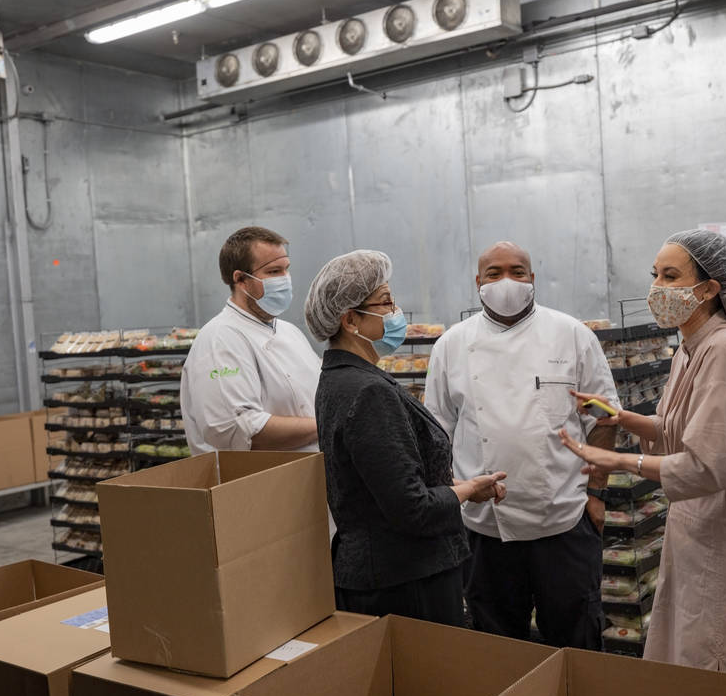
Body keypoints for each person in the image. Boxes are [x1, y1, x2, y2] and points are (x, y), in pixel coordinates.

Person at [561, 230, 726, 683]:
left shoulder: (724, 349)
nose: (657, 288)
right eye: (655, 275)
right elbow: (675, 430)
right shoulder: (688, 350)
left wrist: (619, 462)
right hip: (698, 530)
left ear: (711, 288)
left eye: (671, 276)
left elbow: (710, 463)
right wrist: (618, 417)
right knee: (696, 649)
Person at [425, 242, 621, 649]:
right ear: (478, 283)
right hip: (484, 526)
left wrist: (597, 494)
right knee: (497, 644)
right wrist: (452, 498)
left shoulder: (572, 335)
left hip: (564, 518)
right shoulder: (451, 344)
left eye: (517, 271)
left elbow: (604, 418)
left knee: (576, 638)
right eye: (494, 274)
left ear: (533, 279)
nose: (506, 281)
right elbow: (437, 431)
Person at [304, 250, 507, 625]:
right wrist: (465, 491)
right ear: (350, 319)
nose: (396, 311)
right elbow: (413, 509)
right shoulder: (367, 392)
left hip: (383, 574)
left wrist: (461, 486)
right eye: (385, 302)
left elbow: (383, 484)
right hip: (405, 580)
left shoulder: (338, 378)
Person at [180, 226, 321, 455]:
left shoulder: (290, 332)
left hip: (311, 477)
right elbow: (241, 430)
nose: (285, 280)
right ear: (241, 279)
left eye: (286, 270)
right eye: (274, 271)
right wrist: (327, 425)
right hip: (261, 484)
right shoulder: (219, 339)